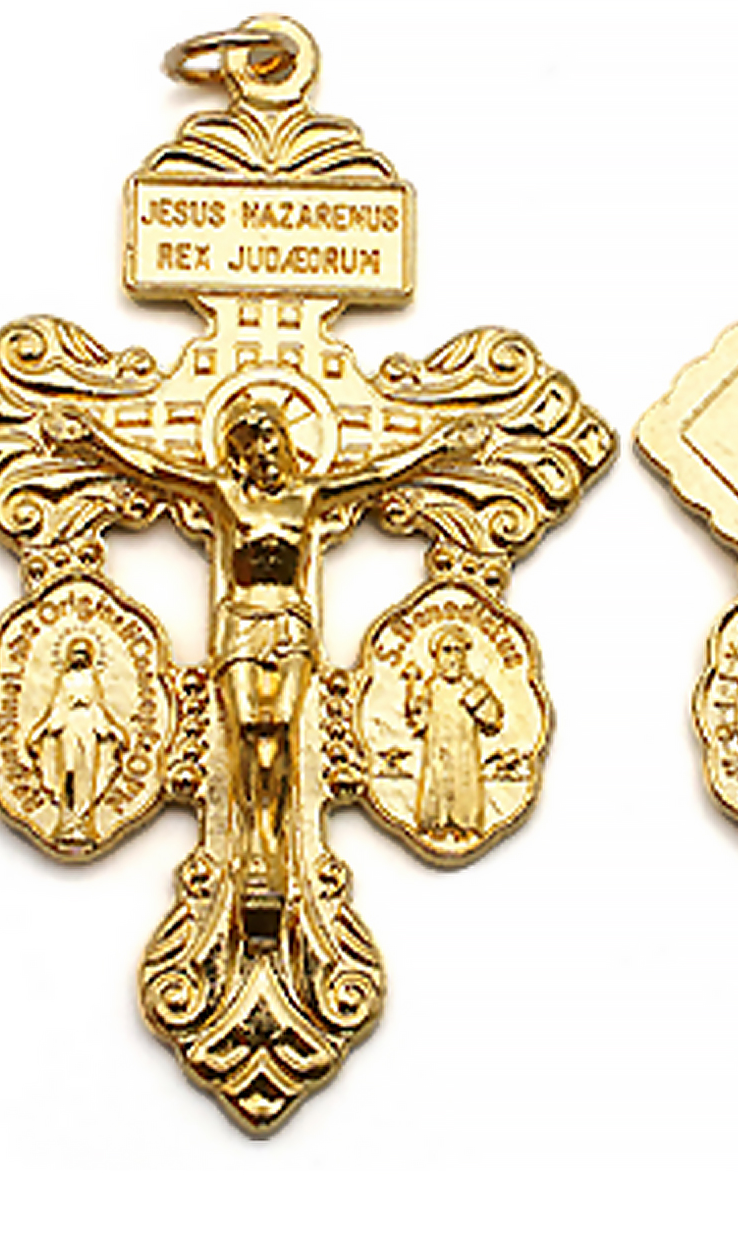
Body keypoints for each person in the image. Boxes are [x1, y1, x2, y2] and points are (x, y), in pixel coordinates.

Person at [53, 395, 486, 946]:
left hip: (289, 624)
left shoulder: (308, 497)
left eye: (273, 442)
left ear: (287, 444)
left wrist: (439, 446)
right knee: (245, 732)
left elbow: (380, 473)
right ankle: (247, 847)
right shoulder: (225, 495)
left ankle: (272, 847)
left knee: (279, 731)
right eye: (254, 448)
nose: (266, 455)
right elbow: (154, 468)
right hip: (240, 623)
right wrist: (93, 440)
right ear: (241, 457)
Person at [27, 635, 127, 847]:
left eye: (83, 654)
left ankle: (84, 824)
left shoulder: (91, 679)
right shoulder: (65, 680)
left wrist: (114, 730)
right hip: (69, 726)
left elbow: (98, 707)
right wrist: (40, 731)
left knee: (86, 770)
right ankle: (67, 821)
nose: (79, 658)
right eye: (76, 654)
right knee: (69, 771)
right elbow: (57, 707)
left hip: (88, 726)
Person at [405, 626, 504, 839]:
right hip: (437, 753)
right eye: (447, 650)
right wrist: (413, 698)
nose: (452, 658)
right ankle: (435, 823)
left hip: (463, 753)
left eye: (457, 650)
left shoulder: (473, 687)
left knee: (464, 784)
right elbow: (418, 720)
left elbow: (493, 721)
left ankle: (466, 824)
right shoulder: (432, 688)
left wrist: (476, 699)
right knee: (436, 784)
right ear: (437, 656)